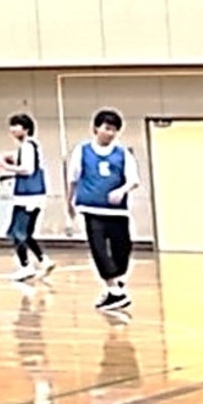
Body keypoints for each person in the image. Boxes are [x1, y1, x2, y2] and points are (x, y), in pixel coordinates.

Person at [67, 108, 140, 311]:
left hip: (117, 211)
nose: (110, 133)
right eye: (107, 128)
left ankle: (115, 285)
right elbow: (72, 179)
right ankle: (114, 291)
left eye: (114, 129)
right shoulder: (82, 151)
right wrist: (69, 202)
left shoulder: (122, 153)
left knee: (122, 250)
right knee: (99, 250)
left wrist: (121, 190)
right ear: (96, 128)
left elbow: (134, 180)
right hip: (91, 209)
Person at [0, 113, 53, 282]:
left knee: (17, 233)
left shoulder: (28, 146)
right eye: (11, 125)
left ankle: (26, 267)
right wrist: (10, 174)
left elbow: (28, 169)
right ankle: (43, 260)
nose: (12, 129)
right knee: (26, 233)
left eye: (17, 125)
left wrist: (6, 167)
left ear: (26, 129)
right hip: (32, 196)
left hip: (28, 197)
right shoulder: (30, 146)